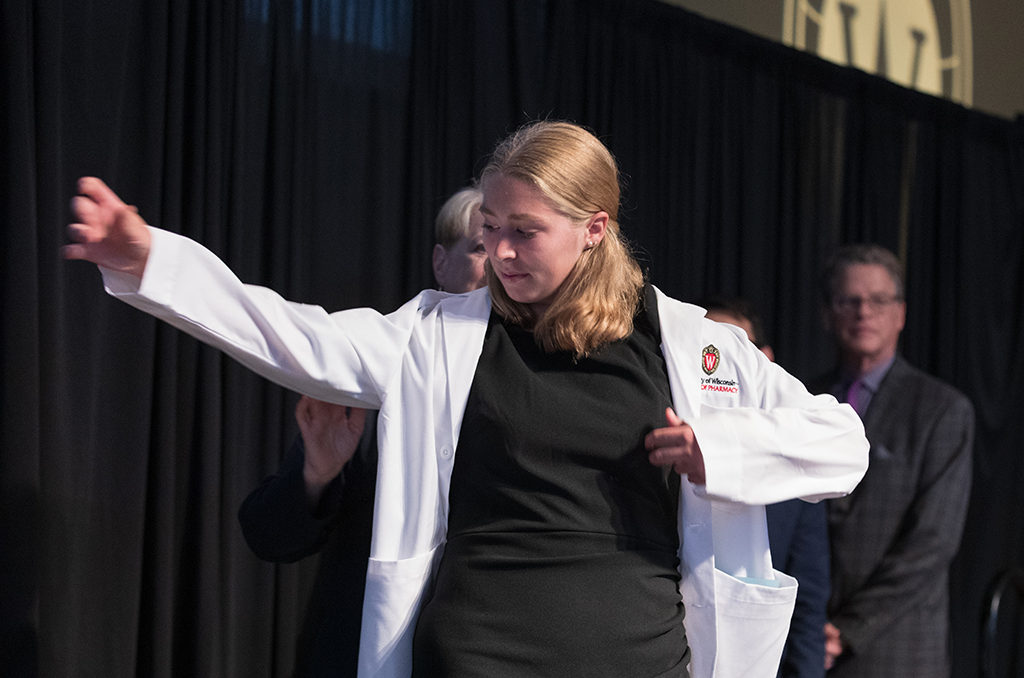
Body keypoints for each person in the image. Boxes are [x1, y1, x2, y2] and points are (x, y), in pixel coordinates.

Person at [65, 120, 869, 678]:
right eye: (489, 227)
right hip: (477, 653)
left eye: (525, 230)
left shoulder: (694, 346)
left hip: (638, 656)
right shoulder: (438, 335)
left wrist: (719, 451)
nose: (499, 250)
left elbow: (844, 442)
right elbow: (294, 336)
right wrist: (150, 260)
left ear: (594, 228)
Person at [236, 186, 486, 676]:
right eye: (480, 248)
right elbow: (268, 537)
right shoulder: (380, 374)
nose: (498, 265)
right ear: (441, 263)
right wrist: (316, 475)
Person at [810, 244, 974, 678]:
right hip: (803, 644)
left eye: (879, 300)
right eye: (850, 301)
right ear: (828, 314)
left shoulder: (942, 410)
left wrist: (844, 630)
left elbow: (932, 542)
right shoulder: (804, 401)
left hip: (894, 648)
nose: (865, 312)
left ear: (900, 314)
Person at [702, 296, 830, 678]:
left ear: (765, 360)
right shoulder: (661, 443)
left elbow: (808, 601)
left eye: (734, 347)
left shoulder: (792, 458)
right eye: (708, 348)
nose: (719, 363)